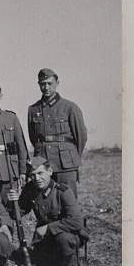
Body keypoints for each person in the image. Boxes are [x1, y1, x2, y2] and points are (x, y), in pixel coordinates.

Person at [7, 156, 88, 266]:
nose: (37, 178)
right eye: (33, 175)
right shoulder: (31, 188)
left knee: (64, 240)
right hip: (44, 237)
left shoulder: (63, 191)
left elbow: (77, 222)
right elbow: (18, 213)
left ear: (50, 171)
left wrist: (48, 228)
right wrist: (13, 201)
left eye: (40, 173)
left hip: (67, 233)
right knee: (39, 265)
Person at [27, 68, 87, 197]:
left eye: (50, 83)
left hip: (65, 163)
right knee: (46, 198)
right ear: (38, 84)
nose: (46, 87)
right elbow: (34, 138)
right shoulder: (33, 109)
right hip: (44, 162)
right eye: (43, 84)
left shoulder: (70, 107)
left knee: (68, 197)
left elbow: (81, 136)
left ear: (57, 83)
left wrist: (72, 157)